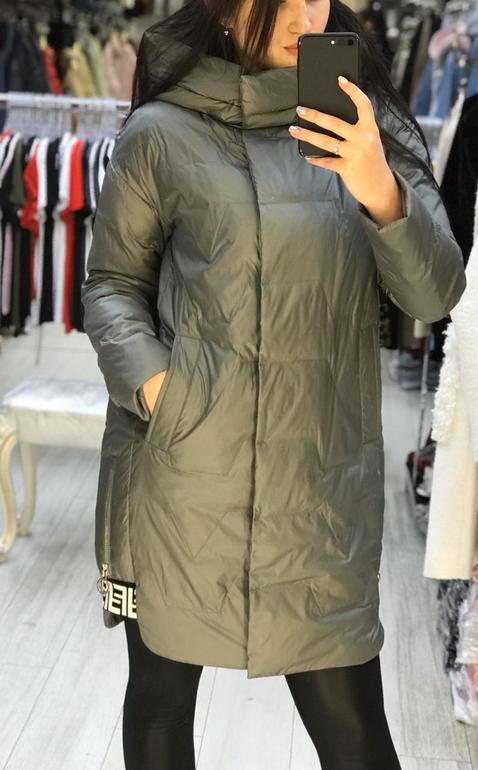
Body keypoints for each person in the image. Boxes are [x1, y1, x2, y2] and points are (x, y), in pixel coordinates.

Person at [81, 0, 466, 767]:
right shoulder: (162, 132)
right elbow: (112, 285)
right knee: (159, 704)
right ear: (225, 11)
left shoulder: (369, 129)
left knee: (355, 736)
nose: (302, 15)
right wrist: (162, 392)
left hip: (316, 491)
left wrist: (378, 187)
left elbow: (434, 295)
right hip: (181, 479)